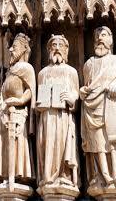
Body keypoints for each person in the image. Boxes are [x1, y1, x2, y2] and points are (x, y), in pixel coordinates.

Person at [79, 26, 116, 191]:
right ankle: (102, 175)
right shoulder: (88, 64)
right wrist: (82, 91)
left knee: (113, 139)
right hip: (92, 108)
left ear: (111, 39)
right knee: (98, 142)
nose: (100, 38)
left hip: (112, 105)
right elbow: (88, 86)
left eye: (104, 35)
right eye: (97, 36)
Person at [34, 35, 80, 193]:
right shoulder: (43, 73)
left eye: (61, 45)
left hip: (64, 117)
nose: (57, 47)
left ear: (67, 50)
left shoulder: (71, 72)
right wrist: (39, 105)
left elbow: (76, 94)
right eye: (54, 44)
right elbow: (38, 98)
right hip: (47, 117)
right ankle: (47, 177)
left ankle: (64, 176)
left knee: (62, 142)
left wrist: (71, 98)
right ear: (48, 50)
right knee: (47, 144)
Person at [0, 34, 35, 191]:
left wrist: (20, 101)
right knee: (4, 144)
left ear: (24, 48)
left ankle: (17, 175)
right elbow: (4, 91)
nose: (10, 49)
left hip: (17, 113)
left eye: (14, 47)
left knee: (17, 142)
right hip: (5, 113)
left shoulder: (27, 68)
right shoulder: (11, 70)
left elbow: (31, 91)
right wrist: (0, 102)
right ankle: (4, 174)